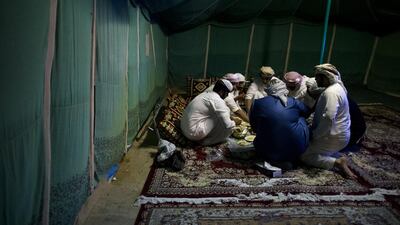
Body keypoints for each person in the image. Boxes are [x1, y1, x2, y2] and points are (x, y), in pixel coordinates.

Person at [300, 63, 356, 179]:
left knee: (303, 154)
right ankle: (331, 153)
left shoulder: (331, 93)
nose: (315, 79)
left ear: (326, 77)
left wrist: (316, 135)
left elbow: (329, 117)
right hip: (339, 135)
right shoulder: (336, 88)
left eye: (318, 77)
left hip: (333, 136)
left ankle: (336, 162)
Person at [249, 79, 311, 169]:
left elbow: (254, 127)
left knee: (264, 127)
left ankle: (273, 158)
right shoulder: (293, 101)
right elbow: (307, 112)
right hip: (297, 151)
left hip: (266, 151)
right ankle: (289, 155)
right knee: (300, 117)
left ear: (269, 90)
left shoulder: (257, 103)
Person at [180, 79, 241, 146]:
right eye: (226, 94)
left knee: (220, 114)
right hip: (193, 133)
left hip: (184, 128)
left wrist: (230, 118)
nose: (226, 96)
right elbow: (228, 125)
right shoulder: (217, 100)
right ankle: (208, 142)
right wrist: (235, 122)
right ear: (221, 92)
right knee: (226, 123)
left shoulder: (206, 94)